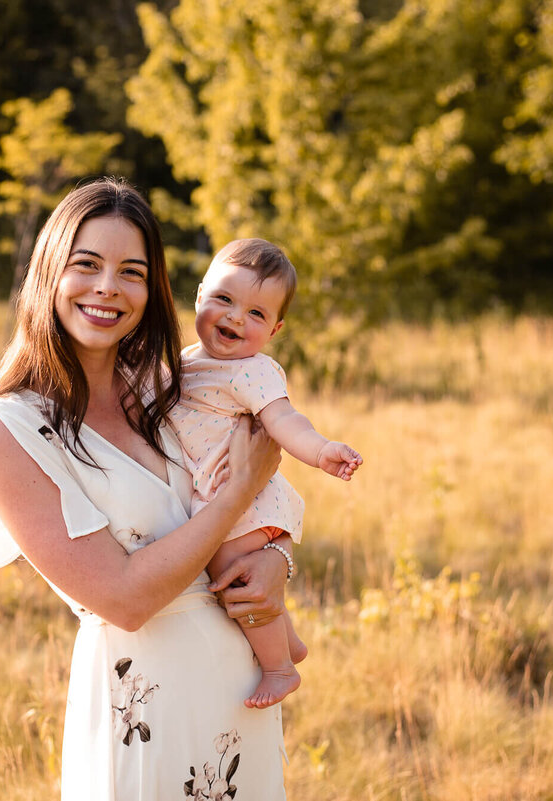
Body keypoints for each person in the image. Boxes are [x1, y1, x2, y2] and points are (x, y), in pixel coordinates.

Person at [0, 178, 294, 799]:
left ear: (152, 289)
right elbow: (124, 598)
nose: (108, 287)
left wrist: (276, 559)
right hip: (142, 707)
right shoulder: (10, 431)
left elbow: (265, 486)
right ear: (50, 272)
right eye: (87, 264)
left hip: (239, 700)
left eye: (131, 272)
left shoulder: (171, 389)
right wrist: (235, 495)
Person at [169, 238, 362, 709]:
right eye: (225, 300)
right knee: (241, 575)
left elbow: (284, 421)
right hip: (221, 494)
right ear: (199, 297)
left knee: (237, 580)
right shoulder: (186, 362)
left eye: (256, 314)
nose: (236, 318)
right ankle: (288, 639)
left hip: (245, 502)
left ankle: (279, 668)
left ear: (274, 329)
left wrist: (320, 452)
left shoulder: (254, 372)